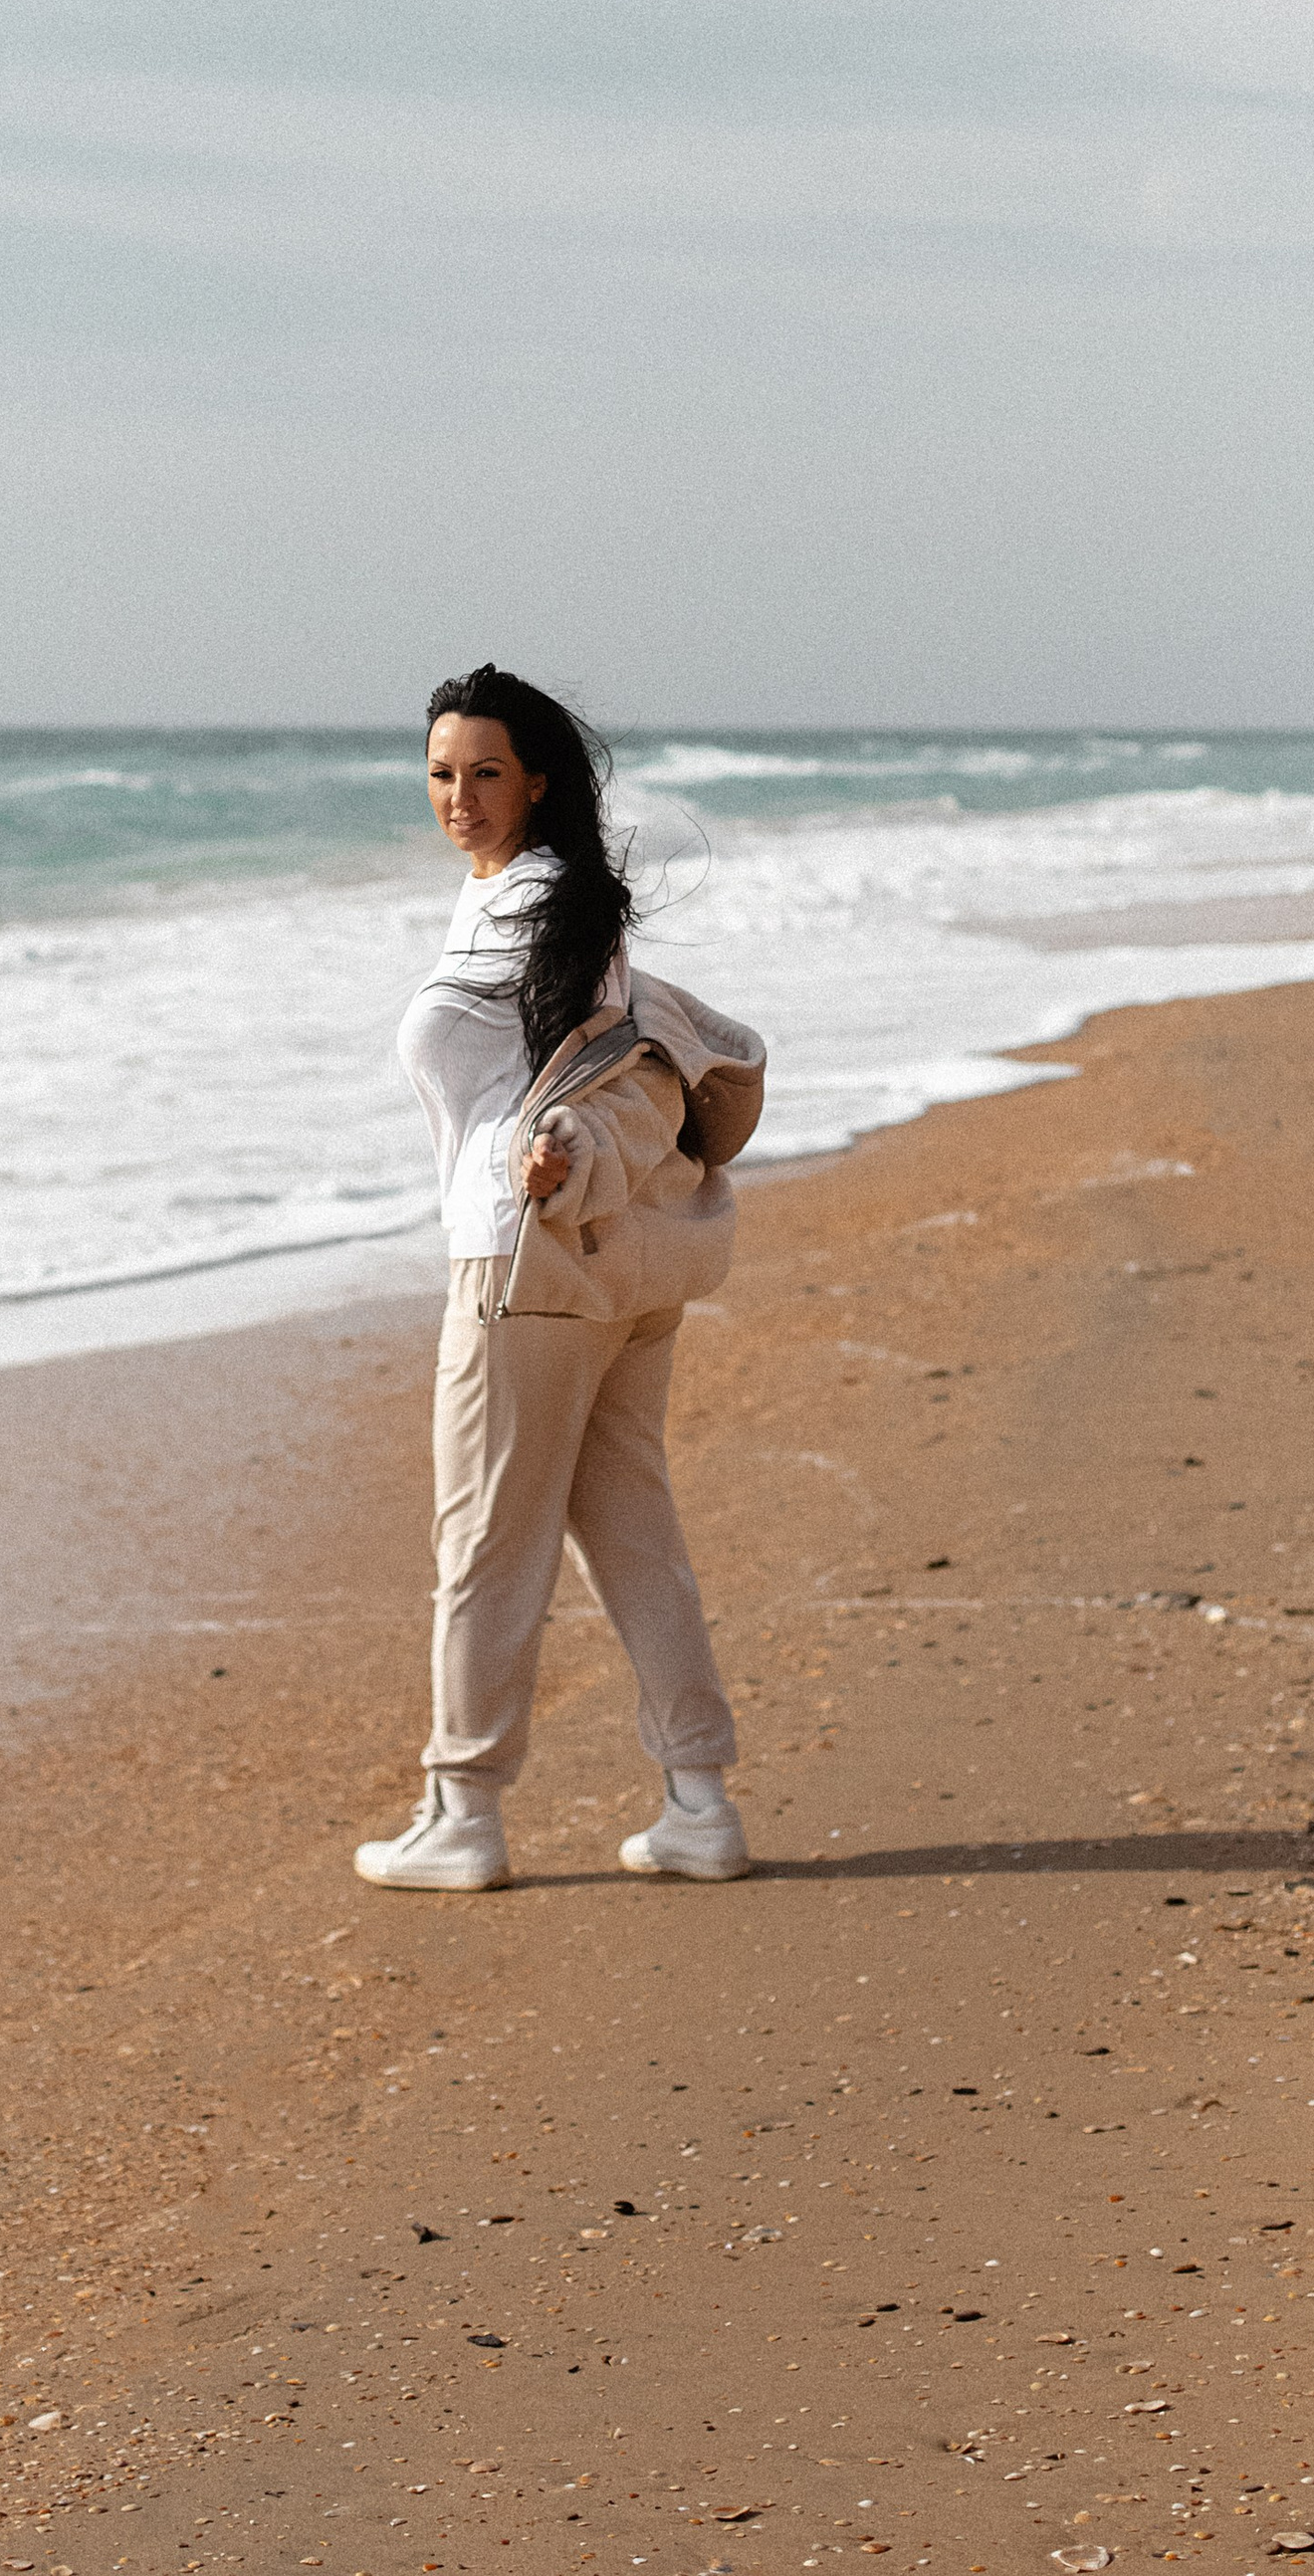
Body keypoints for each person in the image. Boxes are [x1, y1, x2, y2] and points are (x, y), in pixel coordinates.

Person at [355, 662, 757, 1893]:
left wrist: (551, 1153)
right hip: (612, 1259)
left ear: (536, 779)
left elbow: (581, 1065)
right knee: (631, 1529)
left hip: (522, 1256)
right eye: (439, 773)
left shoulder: (532, 900)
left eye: (485, 772)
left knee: (484, 1539)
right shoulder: (538, 891)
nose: (458, 796)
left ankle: (461, 1812)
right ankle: (699, 1803)